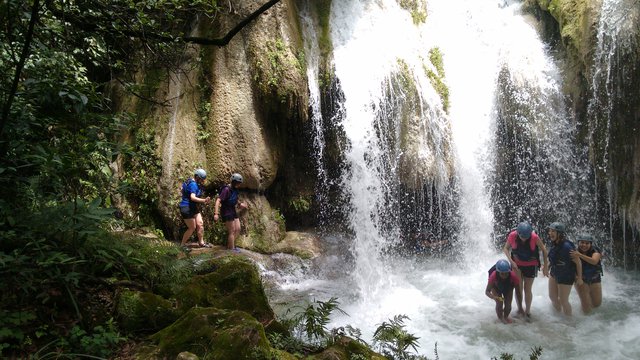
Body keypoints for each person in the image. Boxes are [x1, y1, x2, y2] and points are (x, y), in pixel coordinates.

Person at [502, 221, 548, 321]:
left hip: (531, 266)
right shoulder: (513, 235)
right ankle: (519, 309)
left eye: (526, 237)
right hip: (517, 265)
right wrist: (511, 261)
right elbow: (505, 248)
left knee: (527, 289)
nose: (524, 239)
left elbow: (544, 250)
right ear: (518, 233)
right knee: (518, 288)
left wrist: (546, 266)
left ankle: (527, 311)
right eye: (522, 237)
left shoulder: (534, 237)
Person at [547, 222, 583, 316]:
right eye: (550, 231)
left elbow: (578, 262)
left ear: (560, 234)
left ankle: (569, 320)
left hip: (566, 275)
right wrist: (547, 267)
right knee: (552, 297)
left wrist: (579, 277)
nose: (550, 233)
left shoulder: (567, 247)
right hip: (554, 272)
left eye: (553, 231)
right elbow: (554, 258)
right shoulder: (554, 243)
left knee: (563, 300)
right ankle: (558, 315)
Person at [214, 173, 248, 251]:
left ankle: (230, 245)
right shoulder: (226, 189)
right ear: (234, 182)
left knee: (238, 229)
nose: (239, 185)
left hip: (232, 210)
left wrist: (240, 204)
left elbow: (234, 199)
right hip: (226, 211)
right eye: (238, 183)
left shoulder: (235, 189)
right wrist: (216, 213)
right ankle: (232, 249)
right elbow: (218, 200)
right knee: (232, 231)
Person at [179, 168, 212, 248]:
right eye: (201, 179)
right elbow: (192, 197)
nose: (202, 181)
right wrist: (204, 200)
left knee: (200, 223)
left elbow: (182, 189)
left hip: (192, 207)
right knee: (192, 227)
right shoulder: (193, 184)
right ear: (197, 177)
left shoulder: (189, 181)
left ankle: (201, 243)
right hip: (186, 207)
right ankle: (182, 245)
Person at [570, 233, 602, 314]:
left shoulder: (595, 251)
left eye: (587, 243)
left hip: (595, 278)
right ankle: (585, 321)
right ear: (578, 243)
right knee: (586, 306)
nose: (584, 245)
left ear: (591, 244)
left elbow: (594, 261)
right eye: (582, 242)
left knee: (597, 304)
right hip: (581, 279)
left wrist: (580, 255)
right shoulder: (574, 251)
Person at [485, 259, 520, 324]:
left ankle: (506, 317)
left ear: (509, 271)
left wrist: (520, 307)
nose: (504, 276)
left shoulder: (513, 276)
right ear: (498, 272)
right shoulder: (493, 276)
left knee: (508, 305)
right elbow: (487, 291)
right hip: (495, 287)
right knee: (499, 303)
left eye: (506, 273)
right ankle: (500, 318)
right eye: (502, 274)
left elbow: (518, 292)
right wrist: (493, 297)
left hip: (508, 287)